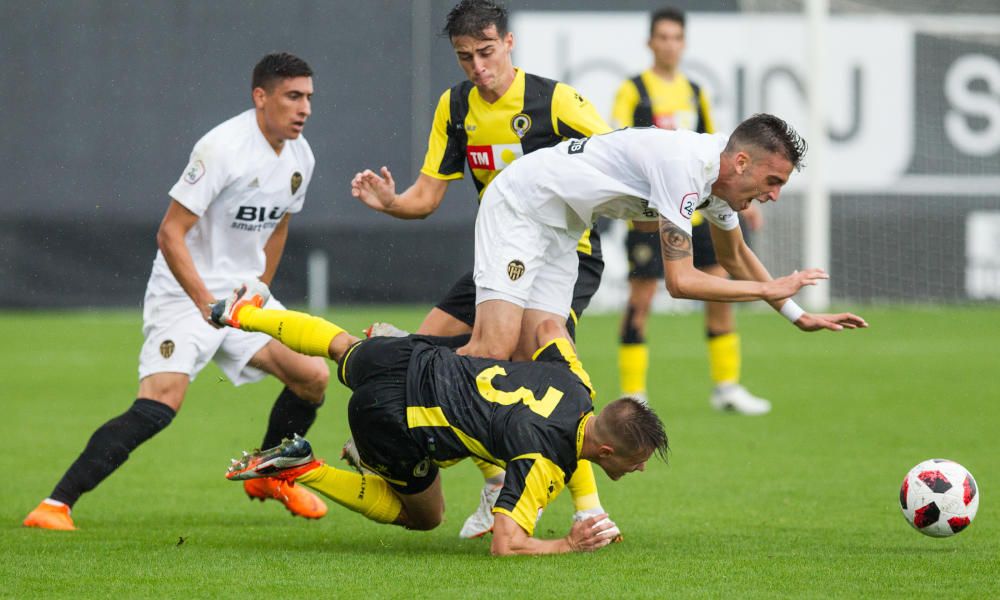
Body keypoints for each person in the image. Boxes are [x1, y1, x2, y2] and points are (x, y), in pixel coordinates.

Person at [23, 53, 330, 531]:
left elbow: (279, 228)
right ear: (261, 97)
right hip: (186, 292)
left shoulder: (301, 157)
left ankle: (269, 476)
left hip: (241, 297)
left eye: (309, 97)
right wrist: (204, 303)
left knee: (311, 377)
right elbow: (170, 233)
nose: (304, 108)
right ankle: (55, 505)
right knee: (162, 401)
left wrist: (260, 290)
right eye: (293, 96)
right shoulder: (222, 147)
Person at [350, 0, 613, 539]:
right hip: (500, 258)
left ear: (509, 44)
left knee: (534, 367)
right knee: (427, 354)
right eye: (465, 57)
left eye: (487, 53)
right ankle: (495, 475)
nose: (478, 67)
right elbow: (425, 198)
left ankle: (588, 507)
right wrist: (390, 203)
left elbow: (617, 159)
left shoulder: (555, 101)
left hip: (564, 256)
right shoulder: (455, 106)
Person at [211, 281, 669, 556]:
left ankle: (245, 313)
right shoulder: (544, 460)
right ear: (606, 451)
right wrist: (568, 544)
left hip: (413, 355)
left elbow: (550, 328)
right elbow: (506, 543)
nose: (641, 467)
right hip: (392, 417)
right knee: (425, 517)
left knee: (340, 345)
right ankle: (304, 467)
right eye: (637, 460)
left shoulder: (577, 383)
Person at [456, 114, 868, 365]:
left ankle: (500, 494)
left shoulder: (722, 186)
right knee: (493, 349)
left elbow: (736, 254)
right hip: (522, 204)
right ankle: (399, 376)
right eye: (772, 181)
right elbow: (681, 282)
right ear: (742, 162)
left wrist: (798, 316)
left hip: (565, 227)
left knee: (535, 360)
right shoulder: (685, 166)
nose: (773, 195)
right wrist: (765, 289)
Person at [611, 7, 770, 414]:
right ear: (650, 42)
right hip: (651, 214)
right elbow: (616, 142)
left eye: (675, 37)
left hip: (697, 213)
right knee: (641, 300)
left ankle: (727, 387)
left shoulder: (694, 92)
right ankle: (634, 394)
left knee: (719, 292)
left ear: (683, 43)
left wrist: (744, 203)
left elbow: (719, 151)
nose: (669, 44)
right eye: (662, 37)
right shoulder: (633, 91)